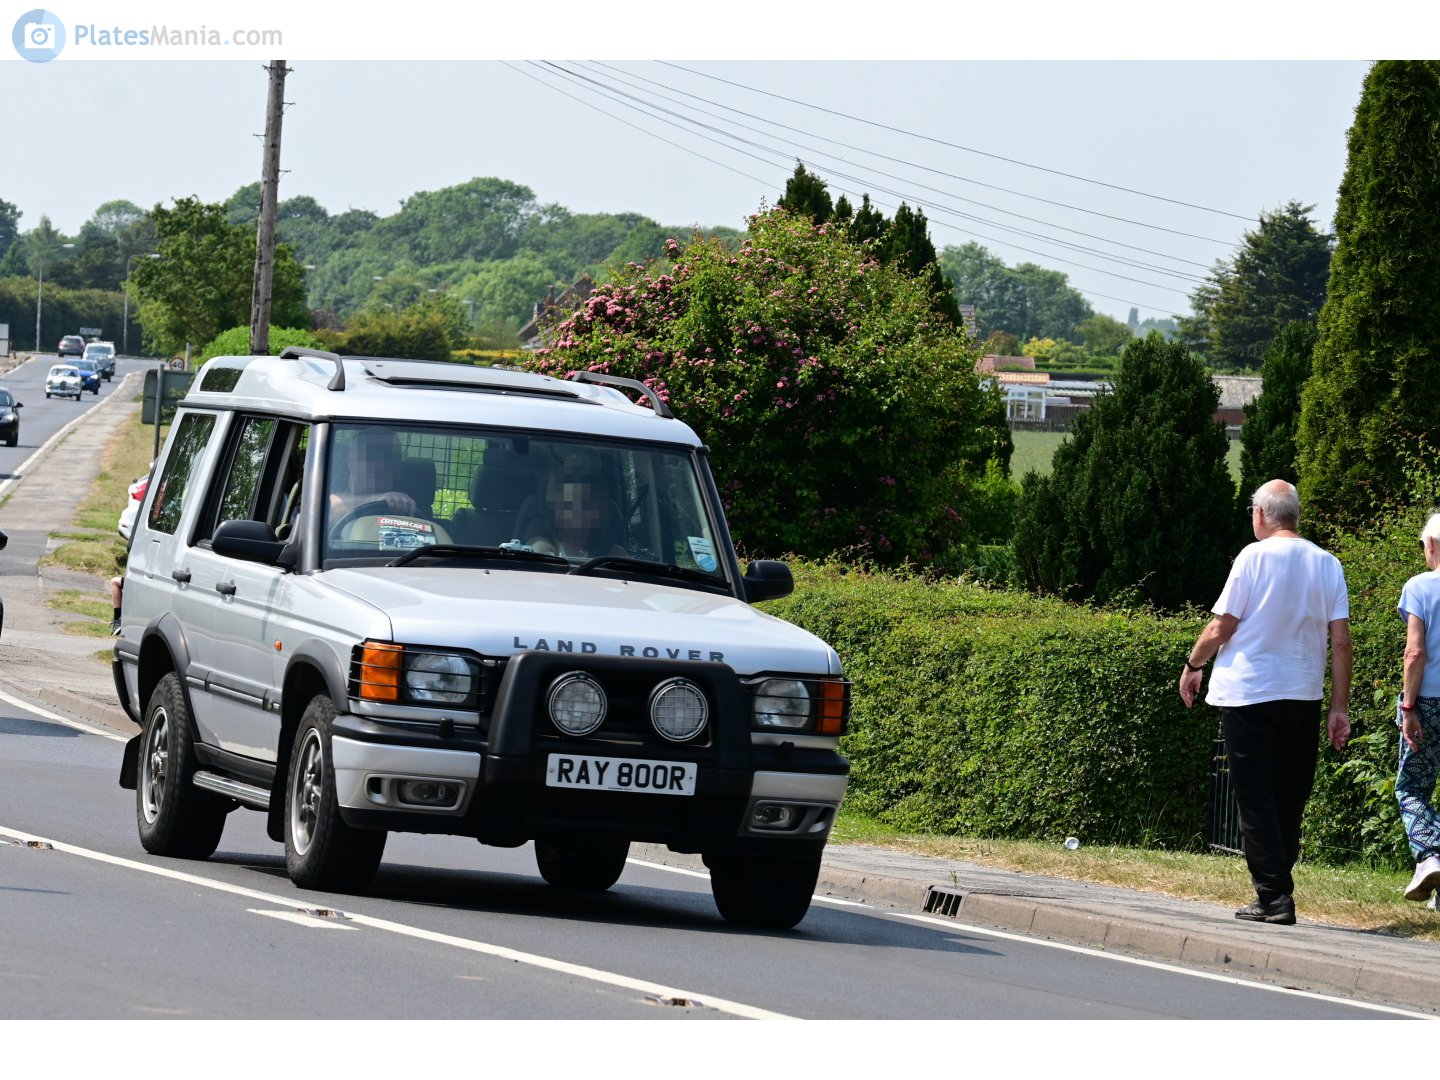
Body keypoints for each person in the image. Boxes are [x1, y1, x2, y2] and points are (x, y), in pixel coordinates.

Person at [1178, 478, 1352, 926]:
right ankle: (1277, 887)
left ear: (1260, 515)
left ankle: (1274, 897)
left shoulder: (1252, 558)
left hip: (1249, 693)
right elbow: (1341, 643)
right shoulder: (1327, 562)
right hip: (1303, 693)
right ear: (1295, 515)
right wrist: (1338, 707)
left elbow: (1222, 626)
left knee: (1255, 796)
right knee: (1288, 795)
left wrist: (1194, 664)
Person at [1395, 513, 1440, 903]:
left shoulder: (1420, 587)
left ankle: (1429, 856)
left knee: (1412, 788)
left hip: (1428, 702)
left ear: (1432, 545)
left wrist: (1409, 707)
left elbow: (1415, 652)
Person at [518, 458, 625, 559]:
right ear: (554, 509)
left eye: (586, 505)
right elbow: (539, 558)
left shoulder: (613, 554)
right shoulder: (543, 546)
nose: (579, 511)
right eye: (570, 504)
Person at [328, 428, 417, 521]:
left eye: (388, 457)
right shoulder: (330, 484)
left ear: (399, 466)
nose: (380, 465)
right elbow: (327, 507)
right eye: (369, 456)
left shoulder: (408, 505)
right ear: (350, 459)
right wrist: (375, 500)